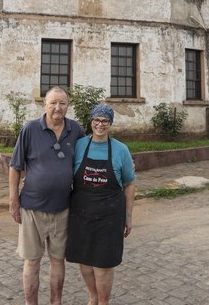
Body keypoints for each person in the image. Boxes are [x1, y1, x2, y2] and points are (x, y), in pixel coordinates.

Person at [9, 86, 86, 305]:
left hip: (63, 208)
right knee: (32, 261)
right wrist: (13, 201)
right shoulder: (30, 129)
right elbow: (15, 167)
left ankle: (56, 302)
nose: (57, 108)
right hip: (32, 208)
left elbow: (86, 162)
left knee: (57, 260)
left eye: (62, 103)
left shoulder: (76, 130)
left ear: (68, 106)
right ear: (45, 105)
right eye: (53, 103)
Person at [66, 104, 136, 305]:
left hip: (110, 215)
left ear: (111, 124)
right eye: (96, 120)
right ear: (91, 121)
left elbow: (130, 184)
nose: (100, 124)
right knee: (85, 262)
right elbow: (61, 170)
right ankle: (93, 297)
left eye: (105, 121)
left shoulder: (121, 150)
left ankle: (103, 302)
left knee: (103, 264)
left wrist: (128, 216)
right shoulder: (79, 145)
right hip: (81, 214)